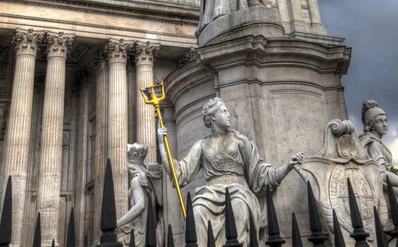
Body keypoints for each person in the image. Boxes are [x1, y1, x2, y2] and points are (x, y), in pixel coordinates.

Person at [157, 97, 303, 246]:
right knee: (196, 213)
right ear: (212, 117)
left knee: (238, 207)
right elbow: (180, 174)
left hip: (239, 191)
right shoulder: (201, 145)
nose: (228, 114)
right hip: (210, 195)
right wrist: (162, 145)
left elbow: (261, 174)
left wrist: (287, 167)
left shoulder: (240, 141)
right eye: (224, 110)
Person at [117, 143, 164, 247]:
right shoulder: (146, 177)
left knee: (113, 238)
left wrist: (118, 223)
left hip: (140, 230)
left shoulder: (136, 179)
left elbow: (140, 205)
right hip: (149, 227)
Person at [359, 100, 398, 188]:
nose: (385, 125)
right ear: (371, 125)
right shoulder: (374, 144)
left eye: (385, 121)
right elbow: (381, 174)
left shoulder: (376, 142)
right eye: (379, 121)